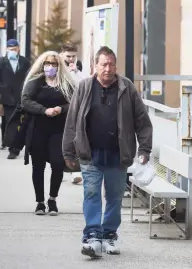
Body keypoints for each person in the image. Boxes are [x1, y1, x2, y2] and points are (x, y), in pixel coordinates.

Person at [62, 46, 153, 257]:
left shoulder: (126, 87)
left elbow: (143, 122)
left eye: (111, 64)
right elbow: (72, 120)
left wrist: (145, 149)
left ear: (116, 66)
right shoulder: (84, 87)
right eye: (103, 64)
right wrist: (68, 152)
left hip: (118, 154)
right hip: (90, 153)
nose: (107, 68)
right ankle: (93, 235)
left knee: (114, 197)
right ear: (95, 66)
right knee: (92, 193)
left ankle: (109, 234)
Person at [21, 51, 75, 216]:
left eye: (54, 64)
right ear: (42, 65)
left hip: (59, 131)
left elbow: (73, 103)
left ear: (59, 66)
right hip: (38, 129)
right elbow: (25, 101)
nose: (50, 67)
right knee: (38, 167)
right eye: (47, 64)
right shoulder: (35, 82)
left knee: (58, 164)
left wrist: (61, 108)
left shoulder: (65, 84)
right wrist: (44, 110)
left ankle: (52, 199)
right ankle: (40, 202)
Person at [0, 39, 31, 159]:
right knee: (9, 122)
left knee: (18, 122)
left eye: (15, 49)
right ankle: (13, 148)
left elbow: (30, 77)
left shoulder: (24, 62)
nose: (13, 51)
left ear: (19, 49)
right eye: (10, 49)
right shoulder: (1, 62)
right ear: (7, 49)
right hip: (7, 98)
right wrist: (3, 87)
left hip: (21, 97)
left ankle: (14, 146)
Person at [60, 43, 87, 185]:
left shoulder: (78, 65)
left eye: (73, 56)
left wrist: (76, 71)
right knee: (62, 138)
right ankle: (60, 167)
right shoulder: (56, 64)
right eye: (68, 56)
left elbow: (82, 84)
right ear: (62, 54)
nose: (71, 59)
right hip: (60, 105)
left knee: (74, 138)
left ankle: (75, 171)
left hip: (75, 105)